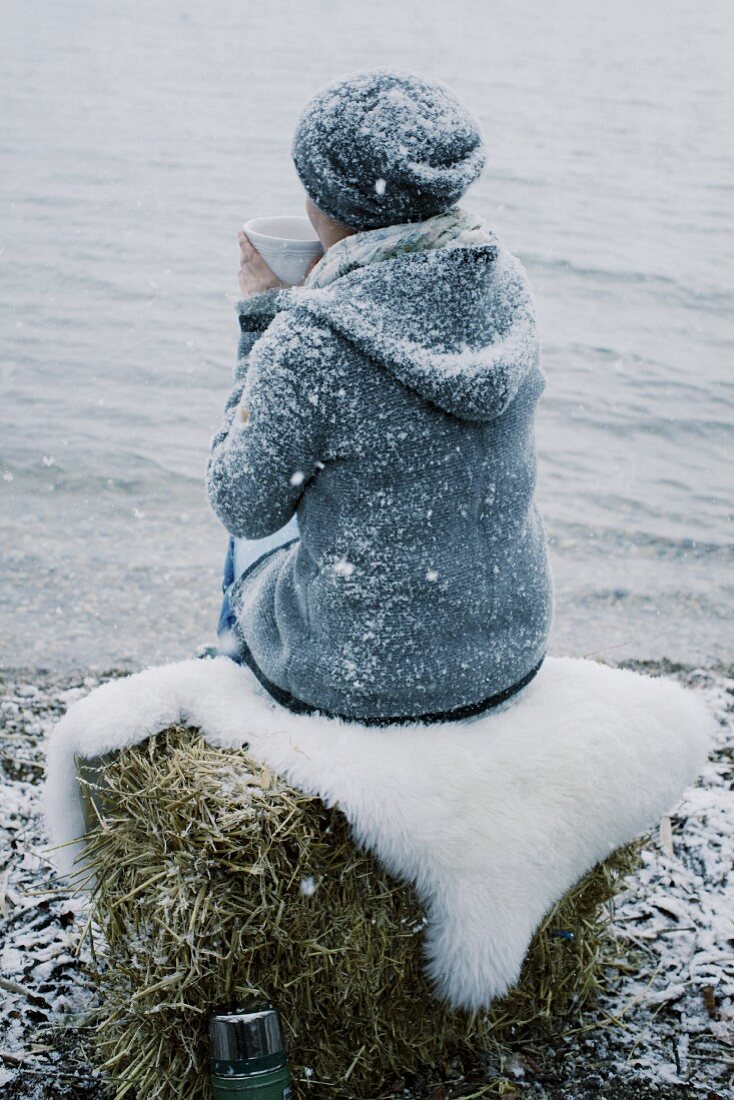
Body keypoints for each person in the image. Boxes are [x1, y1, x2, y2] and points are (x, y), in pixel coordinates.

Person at [207, 67, 554, 726]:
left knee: (251, 532)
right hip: (508, 652)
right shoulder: (506, 284)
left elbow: (241, 504)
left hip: (360, 679)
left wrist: (262, 324)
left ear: (325, 202)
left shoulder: (310, 337)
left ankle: (226, 688)